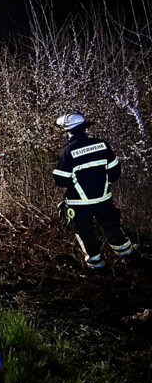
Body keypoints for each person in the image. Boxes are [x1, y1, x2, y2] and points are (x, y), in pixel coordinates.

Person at [53, 113, 134, 269]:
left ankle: (97, 265)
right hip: (104, 198)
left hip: (79, 202)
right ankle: (127, 254)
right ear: (84, 128)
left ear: (68, 131)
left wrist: (77, 185)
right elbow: (115, 172)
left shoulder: (68, 152)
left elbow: (59, 179)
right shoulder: (103, 145)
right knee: (111, 226)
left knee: (85, 232)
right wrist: (103, 184)